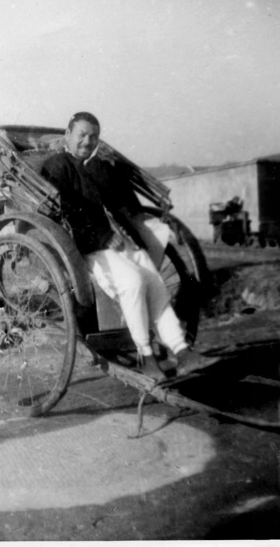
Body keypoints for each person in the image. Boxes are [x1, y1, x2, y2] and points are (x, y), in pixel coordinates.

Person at [41, 112, 213, 381]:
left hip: (112, 241)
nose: (87, 141)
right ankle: (146, 356)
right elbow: (67, 209)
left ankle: (181, 351)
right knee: (133, 282)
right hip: (83, 247)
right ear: (67, 135)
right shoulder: (57, 166)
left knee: (154, 282)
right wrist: (102, 236)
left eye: (93, 136)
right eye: (82, 135)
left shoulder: (89, 167)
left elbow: (119, 204)